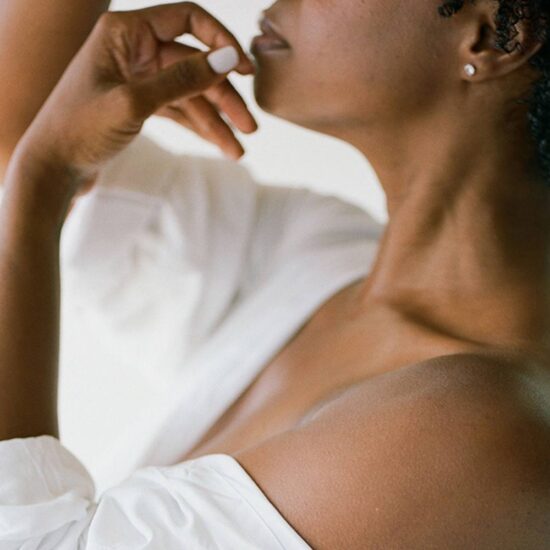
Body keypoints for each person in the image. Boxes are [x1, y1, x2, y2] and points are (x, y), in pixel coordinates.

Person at [0, 0, 549, 548]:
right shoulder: (316, 255)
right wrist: (39, 168)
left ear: (492, 36)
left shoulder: (470, 429)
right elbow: (17, 132)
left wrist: (44, 177)